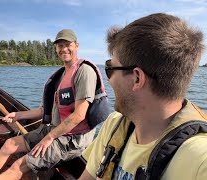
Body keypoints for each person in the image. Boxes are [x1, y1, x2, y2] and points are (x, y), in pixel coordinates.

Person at [79, 13, 207, 180]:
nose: (108, 79)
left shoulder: (200, 161)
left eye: (110, 68)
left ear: (136, 78)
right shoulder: (115, 124)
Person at [0, 29, 109, 180]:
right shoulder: (62, 74)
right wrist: (19, 115)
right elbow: (44, 110)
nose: (63, 49)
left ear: (76, 46)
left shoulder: (84, 72)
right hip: (54, 130)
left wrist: (49, 138)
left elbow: (78, 116)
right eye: (59, 45)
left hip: (72, 139)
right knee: (10, 144)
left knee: (18, 165)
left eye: (67, 44)